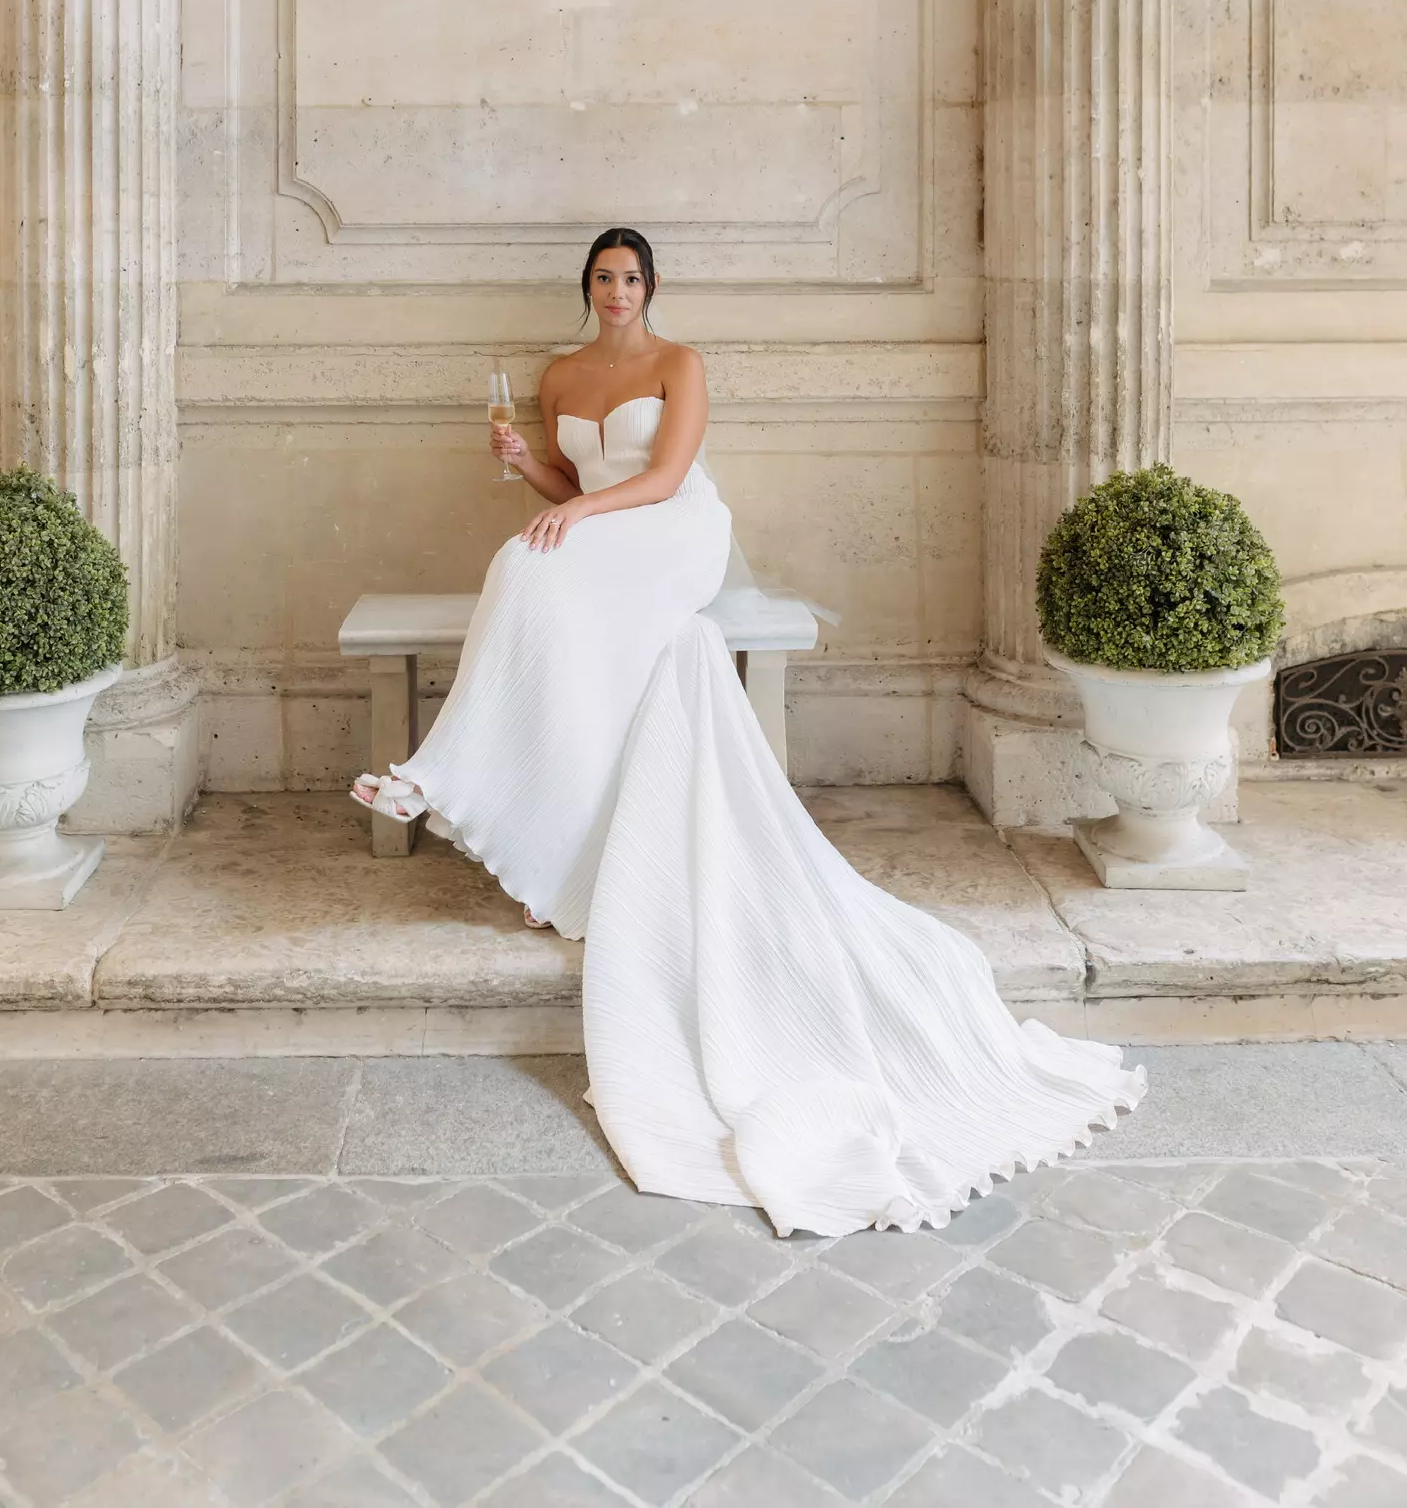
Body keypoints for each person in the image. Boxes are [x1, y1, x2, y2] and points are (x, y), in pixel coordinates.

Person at [352, 228, 1144, 1239]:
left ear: (650, 287)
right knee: (527, 565)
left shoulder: (680, 365)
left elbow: (660, 479)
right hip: (605, 534)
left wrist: (574, 522)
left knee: (526, 569)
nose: (617, 291)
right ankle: (539, 822)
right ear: (586, 288)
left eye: (631, 277)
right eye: (603, 278)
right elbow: (571, 487)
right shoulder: (558, 375)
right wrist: (525, 470)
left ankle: (437, 771)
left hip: (675, 531)